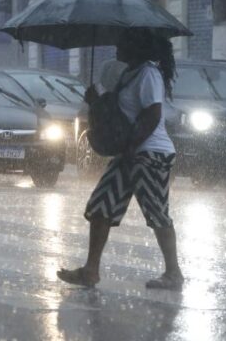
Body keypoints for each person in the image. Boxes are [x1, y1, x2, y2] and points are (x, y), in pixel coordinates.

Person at [58, 29, 184, 290]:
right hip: (129, 153)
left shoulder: (149, 73)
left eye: (124, 41)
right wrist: (97, 101)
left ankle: (174, 273)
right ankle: (90, 271)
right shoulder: (130, 73)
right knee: (101, 206)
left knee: (156, 212)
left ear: (138, 46)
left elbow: (152, 115)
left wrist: (131, 148)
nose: (117, 46)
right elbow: (120, 112)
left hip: (150, 154)